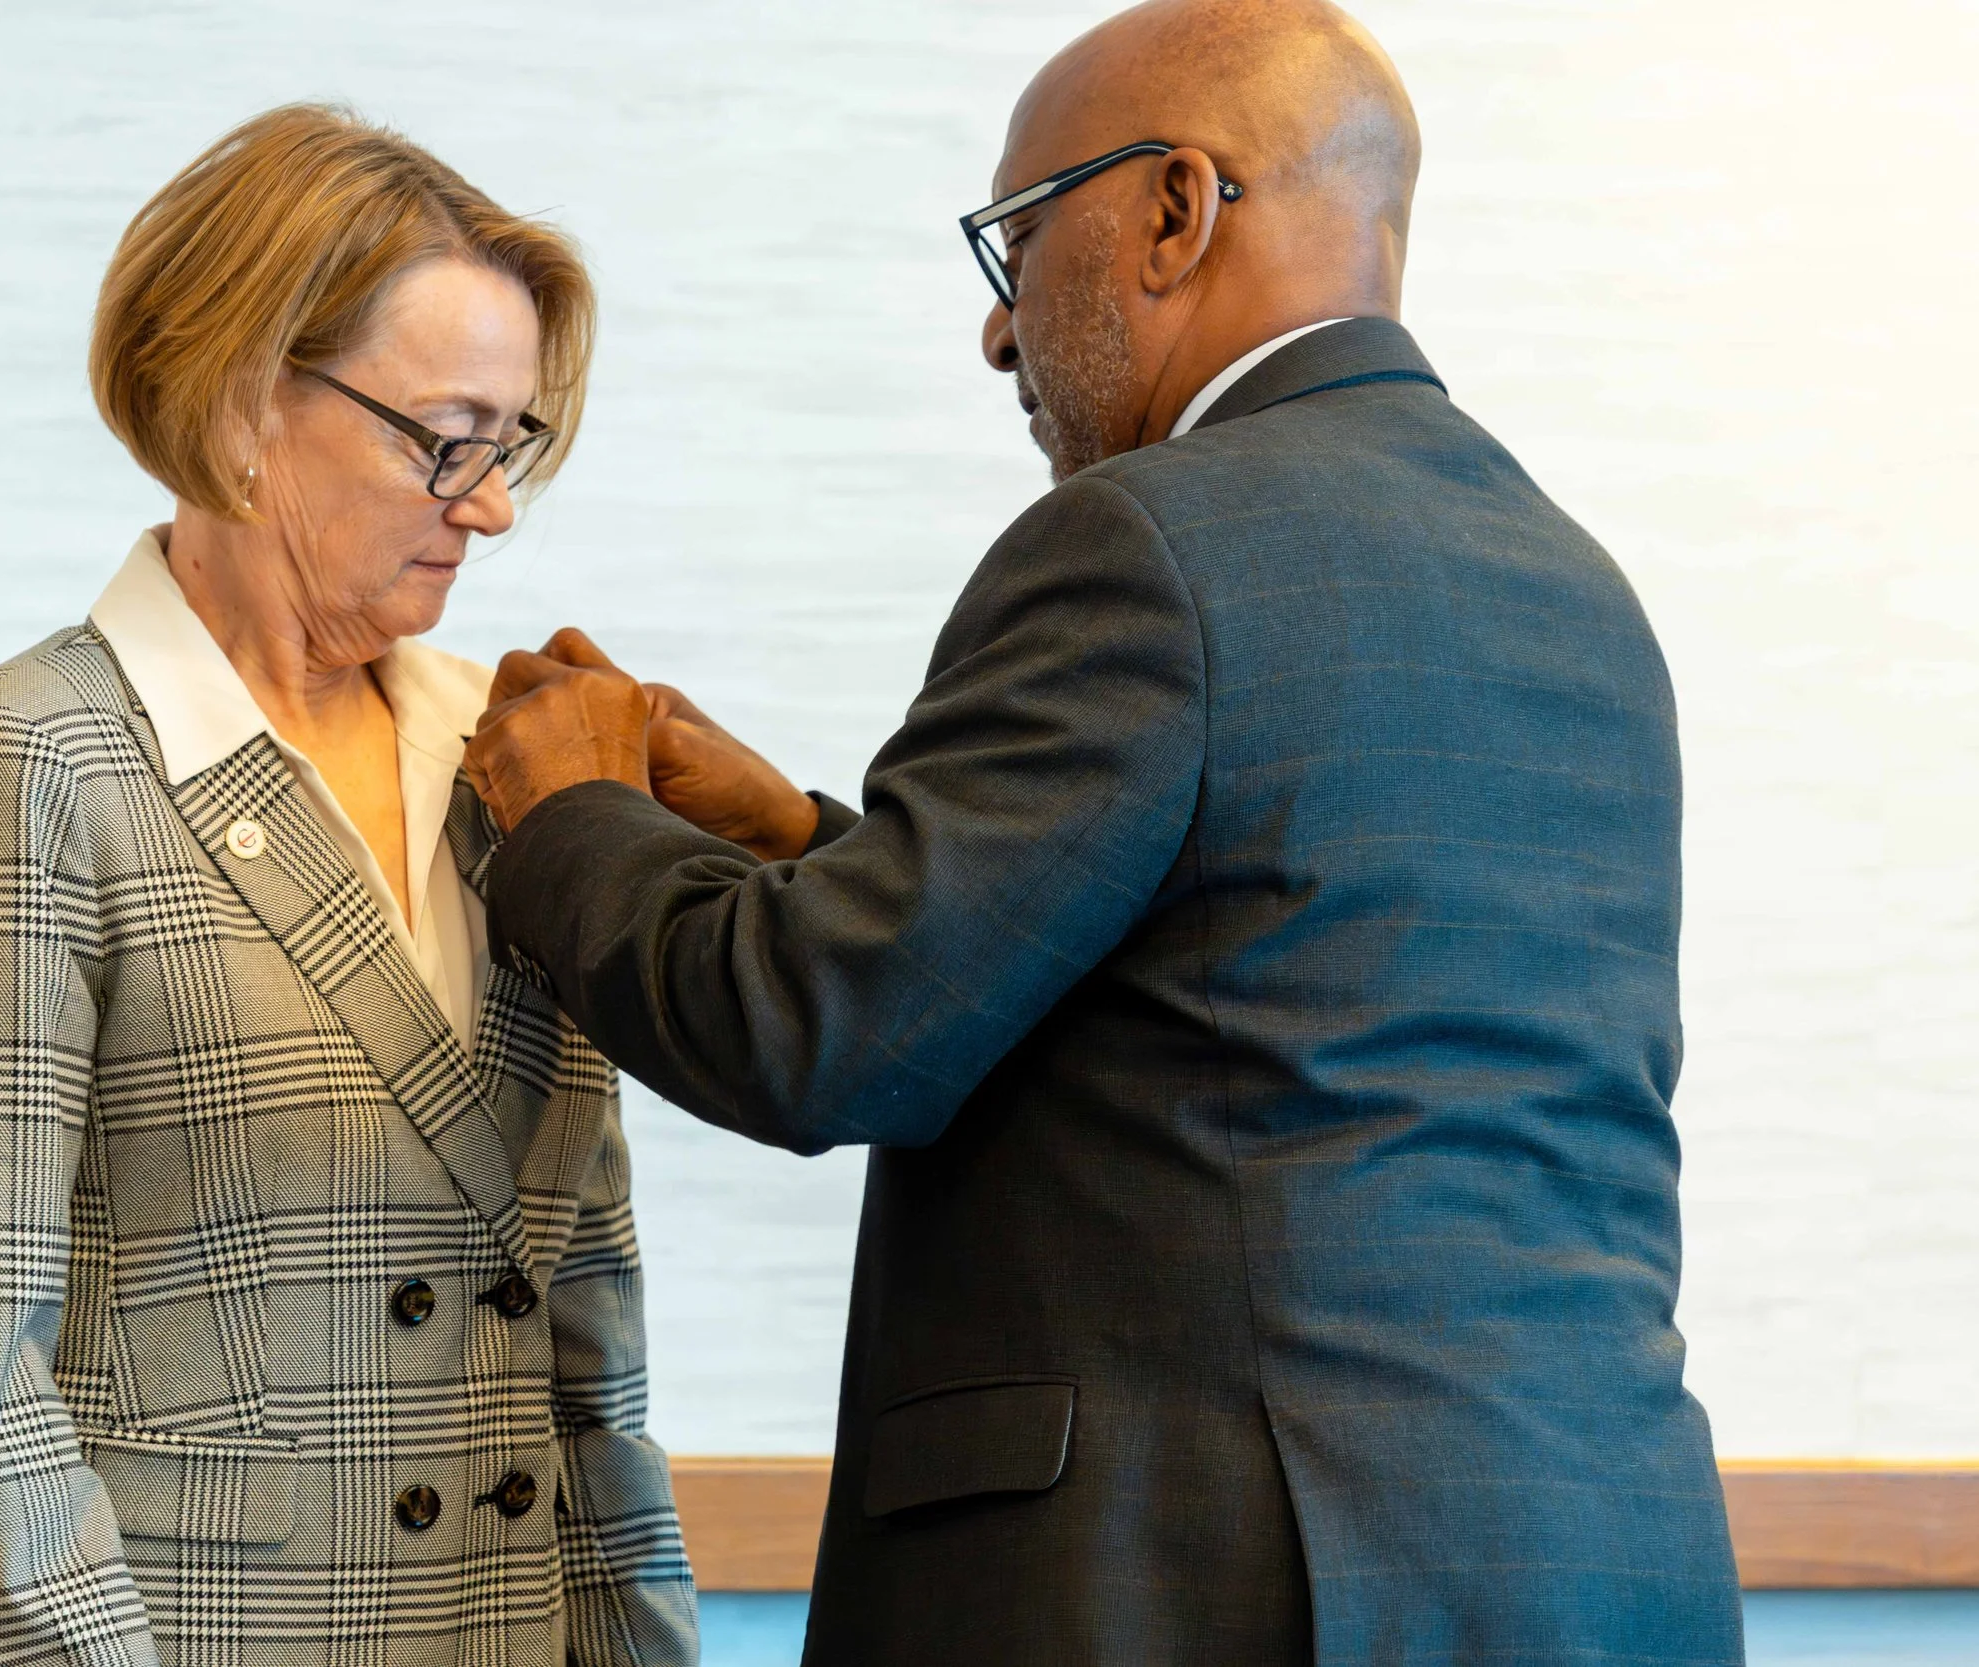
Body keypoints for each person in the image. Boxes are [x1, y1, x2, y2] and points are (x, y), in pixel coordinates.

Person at [460, 2, 1744, 1662]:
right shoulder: (1577, 590)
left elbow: (820, 1029)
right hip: (1593, 1570)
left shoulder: (1145, 538)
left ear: (1172, 210)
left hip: (1216, 1586)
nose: (1001, 336)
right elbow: (1223, 992)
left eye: (1019, 239)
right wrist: (802, 839)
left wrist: (572, 808)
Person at [0, 106, 696, 1667]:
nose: (490, 507)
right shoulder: (29, 761)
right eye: (448, 440)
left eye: (516, 447)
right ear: (238, 406)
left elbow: (588, 1335)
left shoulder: (514, 764)